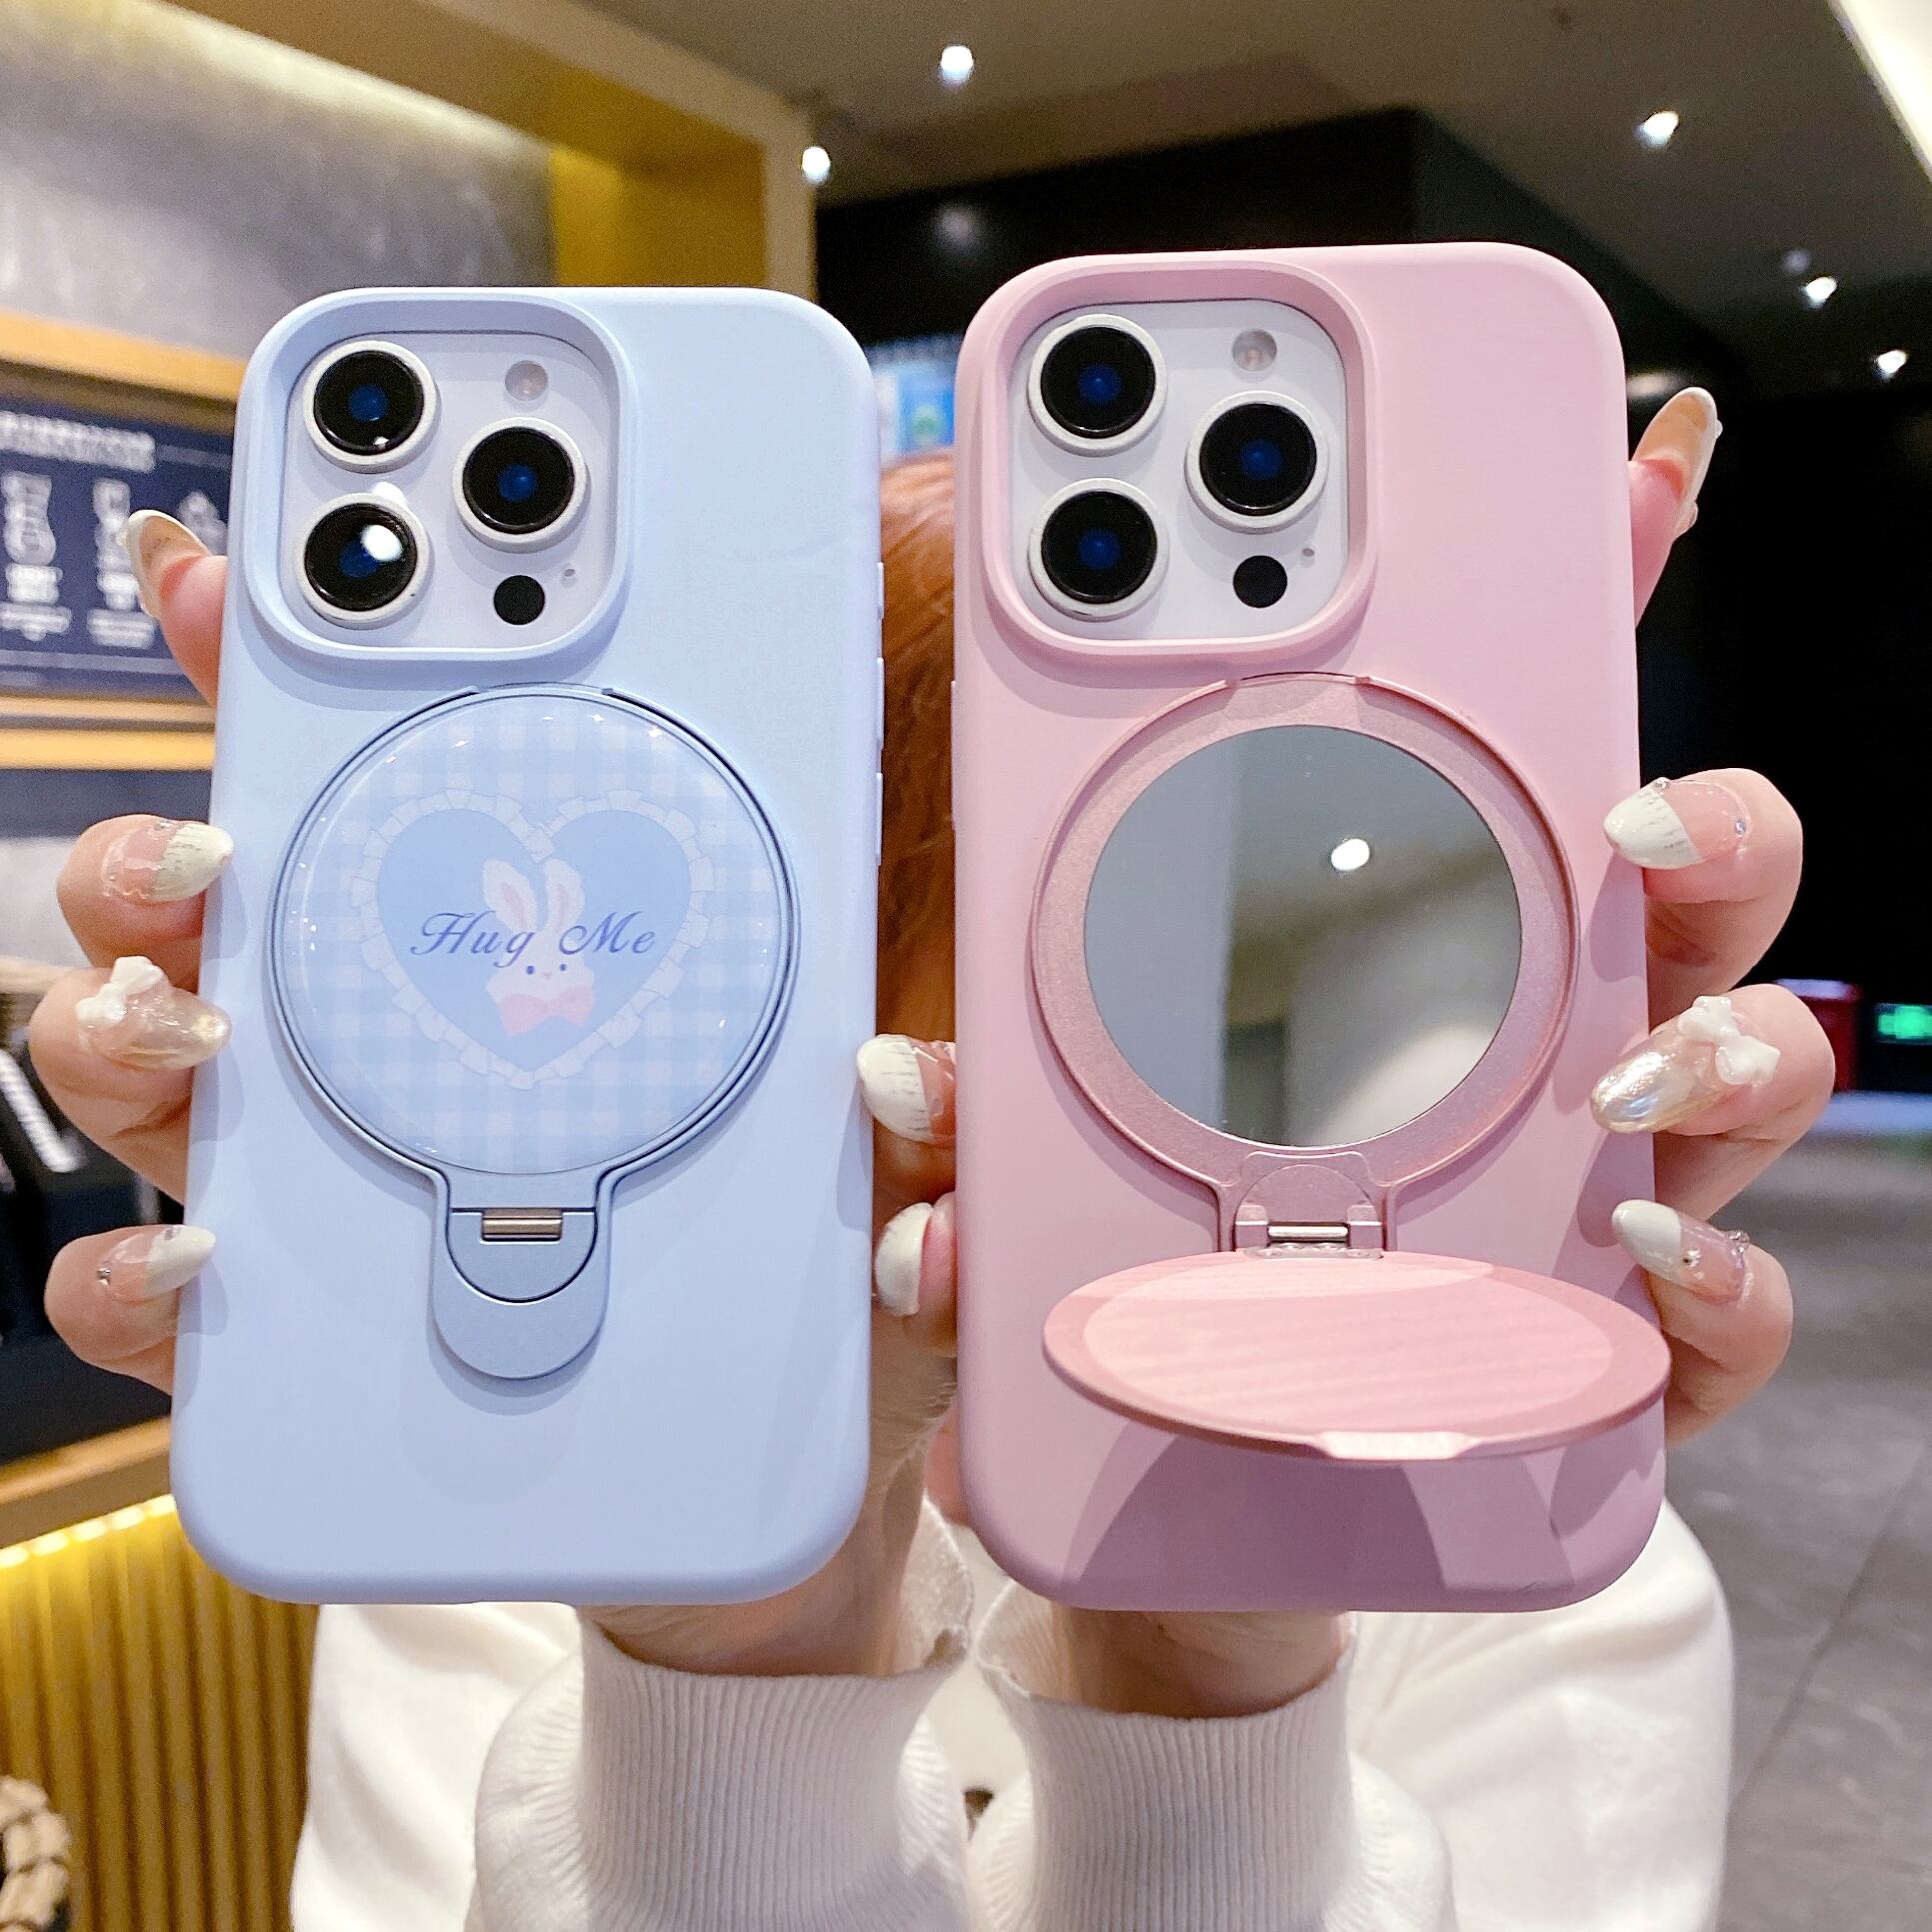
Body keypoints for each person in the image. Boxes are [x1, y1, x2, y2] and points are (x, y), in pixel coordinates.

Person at [34, 388, 1829, 1929]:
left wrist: (1212, 1670)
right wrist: (731, 1657)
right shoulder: (516, 1510)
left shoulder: (1496, 1540)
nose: (976, 1122)